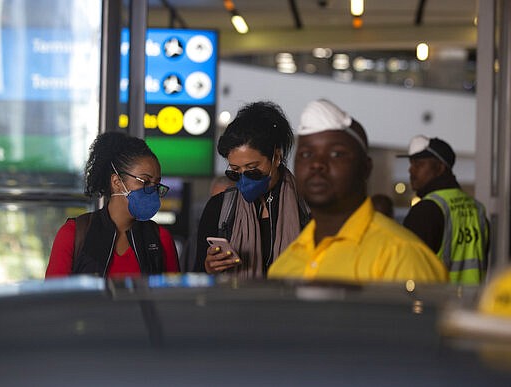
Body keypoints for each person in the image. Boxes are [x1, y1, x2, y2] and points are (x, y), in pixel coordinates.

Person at [268, 99, 448, 283]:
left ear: (365, 167)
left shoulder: (401, 258)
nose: (317, 164)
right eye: (306, 154)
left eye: (336, 153)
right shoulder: (285, 264)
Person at [194, 101, 310, 278]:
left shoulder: (308, 208)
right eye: (235, 171)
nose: (244, 179)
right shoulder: (219, 209)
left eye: (252, 168)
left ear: (276, 157)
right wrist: (209, 268)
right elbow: (197, 277)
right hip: (237, 305)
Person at [46, 131, 180, 278]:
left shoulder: (160, 239)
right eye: (145, 181)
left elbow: (172, 298)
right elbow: (54, 298)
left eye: (156, 184)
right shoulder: (73, 234)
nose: (152, 190)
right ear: (116, 182)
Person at [397, 135, 489, 285]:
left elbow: (407, 271)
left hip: (438, 304)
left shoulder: (426, 210)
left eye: (418, 164)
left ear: (440, 168)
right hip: (472, 303)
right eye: (411, 163)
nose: (410, 170)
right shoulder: (477, 208)